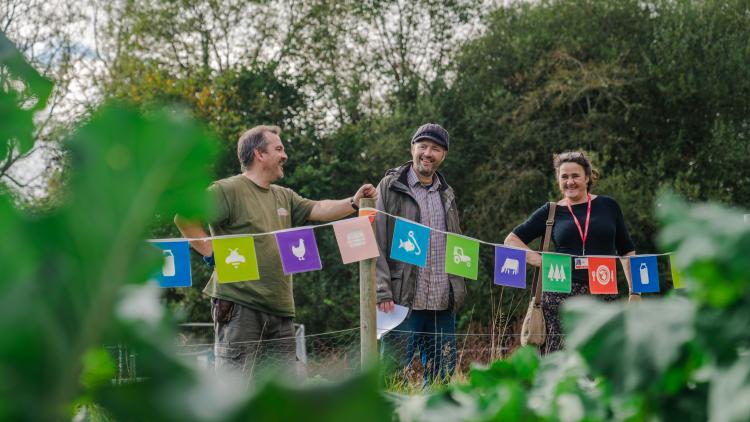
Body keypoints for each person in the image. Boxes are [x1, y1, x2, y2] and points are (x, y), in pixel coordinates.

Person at [174, 125, 376, 378]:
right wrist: (209, 251)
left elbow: (320, 208)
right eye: (278, 149)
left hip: (280, 308)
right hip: (239, 305)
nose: (285, 155)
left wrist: (354, 202)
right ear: (259, 154)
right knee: (237, 389)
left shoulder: (285, 196)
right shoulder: (227, 190)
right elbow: (185, 217)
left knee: (283, 393)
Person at [504, 151, 637, 354]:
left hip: (603, 291)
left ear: (588, 177)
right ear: (558, 179)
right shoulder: (551, 211)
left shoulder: (608, 206)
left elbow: (626, 251)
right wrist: (537, 260)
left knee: (602, 357)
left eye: (575, 176)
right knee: (560, 359)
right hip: (559, 294)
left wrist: (634, 291)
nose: (570, 182)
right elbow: (511, 240)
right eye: (564, 177)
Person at [375, 123, 465, 386]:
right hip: (402, 301)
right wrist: (382, 290)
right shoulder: (390, 187)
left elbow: (457, 243)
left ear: (443, 155)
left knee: (442, 379)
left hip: (441, 301)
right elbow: (376, 240)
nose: (427, 153)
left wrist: (457, 288)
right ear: (412, 148)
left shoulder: (447, 193)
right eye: (423, 146)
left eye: (435, 149)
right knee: (391, 377)